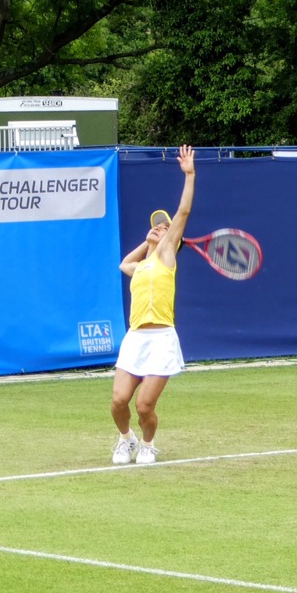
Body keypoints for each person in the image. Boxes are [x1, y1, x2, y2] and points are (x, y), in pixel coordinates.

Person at [111, 144, 195, 465]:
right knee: (119, 401)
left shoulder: (166, 257)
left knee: (144, 406)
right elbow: (123, 265)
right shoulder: (142, 266)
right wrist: (146, 242)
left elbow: (183, 213)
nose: (159, 228)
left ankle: (147, 444)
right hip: (135, 339)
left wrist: (189, 175)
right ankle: (126, 439)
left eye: (164, 227)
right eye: (156, 225)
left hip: (161, 340)